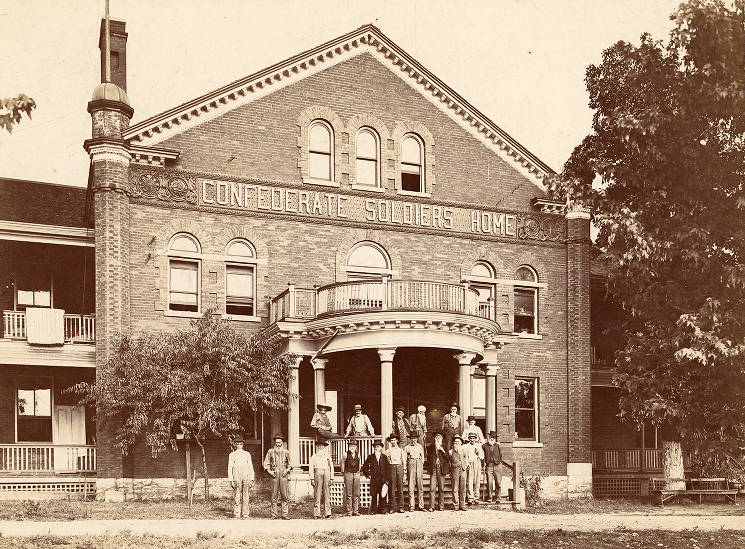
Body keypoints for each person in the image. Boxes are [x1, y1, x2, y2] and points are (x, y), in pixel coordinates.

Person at [263, 434, 291, 520]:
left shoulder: (286, 452)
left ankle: (284, 514)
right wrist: (270, 471)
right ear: (274, 443)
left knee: (284, 494)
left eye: (279, 442)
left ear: (282, 442)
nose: (278, 444)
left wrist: (286, 470)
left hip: (283, 473)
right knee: (274, 495)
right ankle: (274, 514)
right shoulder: (270, 451)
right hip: (274, 473)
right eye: (276, 442)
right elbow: (266, 463)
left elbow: (290, 465)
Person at [227, 438, 254, 518]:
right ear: (235, 445)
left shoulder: (247, 454)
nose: (239, 446)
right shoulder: (232, 454)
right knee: (237, 493)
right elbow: (230, 467)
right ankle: (237, 513)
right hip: (236, 473)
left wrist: (252, 478)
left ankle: (245, 513)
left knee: (246, 494)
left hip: (246, 473)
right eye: (237, 444)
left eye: (241, 444)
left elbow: (250, 466)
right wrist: (231, 480)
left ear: (243, 445)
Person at [362, 439, 389, 514]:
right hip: (374, 478)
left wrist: (386, 480)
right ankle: (373, 510)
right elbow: (364, 467)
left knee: (382, 494)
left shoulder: (384, 457)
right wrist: (368, 475)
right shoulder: (371, 457)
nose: (376, 448)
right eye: (375, 447)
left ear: (381, 448)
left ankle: (382, 509)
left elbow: (388, 469)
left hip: (382, 478)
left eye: (378, 446)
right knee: (373, 494)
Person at [309, 440, 335, 519]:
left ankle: (328, 512)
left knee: (327, 493)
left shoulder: (328, 456)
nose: (320, 447)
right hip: (318, 472)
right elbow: (310, 467)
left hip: (326, 473)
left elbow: (331, 467)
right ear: (317, 447)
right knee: (317, 493)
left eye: (322, 446)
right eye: (319, 446)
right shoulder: (314, 456)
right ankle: (317, 513)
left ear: (324, 447)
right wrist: (312, 478)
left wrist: (332, 477)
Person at [427, 431, 450, 511]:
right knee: (432, 488)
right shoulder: (431, 446)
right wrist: (435, 446)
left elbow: (448, 458)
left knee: (441, 488)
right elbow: (428, 455)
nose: (438, 438)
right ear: (435, 438)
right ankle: (431, 506)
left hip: (441, 469)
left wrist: (443, 451)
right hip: (433, 468)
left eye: (440, 437)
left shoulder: (445, 446)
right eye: (437, 437)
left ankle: (441, 506)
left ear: (442, 438)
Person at [385, 434, 406, 513]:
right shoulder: (388, 451)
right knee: (392, 489)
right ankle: (392, 507)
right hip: (392, 468)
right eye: (391, 440)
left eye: (394, 440)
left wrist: (404, 471)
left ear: (397, 440)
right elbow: (387, 462)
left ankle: (401, 507)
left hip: (399, 467)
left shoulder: (401, 450)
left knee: (400, 488)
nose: (393, 441)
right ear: (390, 441)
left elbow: (404, 461)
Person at [341, 439, 362, 516]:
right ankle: (349, 511)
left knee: (356, 493)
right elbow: (342, 463)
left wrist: (359, 472)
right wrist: (343, 473)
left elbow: (359, 464)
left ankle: (356, 511)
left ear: (356, 447)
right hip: (348, 473)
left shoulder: (358, 454)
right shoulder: (345, 454)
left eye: (353, 446)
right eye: (351, 446)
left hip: (356, 474)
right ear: (349, 446)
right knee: (349, 493)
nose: (352, 447)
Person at [405, 434, 425, 511]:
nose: (413, 440)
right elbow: (405, 458)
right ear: (410, 439)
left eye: (415, 439)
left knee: (420, 485)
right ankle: (412, 506)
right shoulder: (407, 447)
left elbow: (422, 456)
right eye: (412, 439)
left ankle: (421, 505)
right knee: (411, 485)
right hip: (411, 462)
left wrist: (421, 464)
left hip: (419, 462)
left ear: (417, 439)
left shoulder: (420, 446)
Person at [449, 435, 468, 511]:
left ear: (461, 443)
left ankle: (462, 505)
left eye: (458, 442)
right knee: (455, 488)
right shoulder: (450, 451)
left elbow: (466, 459)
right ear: (453, 443)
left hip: (463, 470)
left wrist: (465, 466)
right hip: (455, 471)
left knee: (463, 488)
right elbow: (448, 461)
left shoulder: (464, 450)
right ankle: (456, 505)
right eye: (455, 442)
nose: (457, 443)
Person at [482, 430, 503, 503]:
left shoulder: (497, 446)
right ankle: (490, 497)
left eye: (494, 437)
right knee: (489, 482)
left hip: (497, 465)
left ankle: (498, 497)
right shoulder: (484, 446)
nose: (492, 438)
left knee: (498, 482)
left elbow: (500, 455)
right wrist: (483, 465)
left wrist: (499, 463)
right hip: (489, 466)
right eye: (491, 437)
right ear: (489, 437)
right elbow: (482, 456)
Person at [465, 432, 485, 505]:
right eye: (470, 438)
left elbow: (482, 457)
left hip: (477, 463)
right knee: (470, 481)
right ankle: (470, 497)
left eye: (473, 438)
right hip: (470, 464)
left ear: (475, 439)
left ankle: (476, 497)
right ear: (469, 439)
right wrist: (467, 463)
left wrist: (478, 453)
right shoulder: (466, 446)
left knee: (477, 481)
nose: (472, 440)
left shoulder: (479, 446)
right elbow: (465, 456)